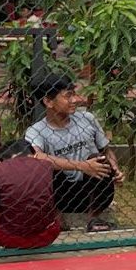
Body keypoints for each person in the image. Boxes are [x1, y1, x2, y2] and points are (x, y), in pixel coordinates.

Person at [23, 77, 123, 231]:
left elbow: (106, 150)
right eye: (68, 96)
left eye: (74, 94)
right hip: (58, 195)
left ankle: (94, 218)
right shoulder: (36, 131)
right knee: (43, 168)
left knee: (99, 159)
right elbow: (36, 156)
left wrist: (115, 169)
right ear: (48, 102)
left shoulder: (87, 119)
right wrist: (82, 166)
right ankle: (56, 220)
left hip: (90, 191)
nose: (75, 100)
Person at [0, 119, 61, 251]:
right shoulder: (47, 166)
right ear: (35, 155)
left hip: (4, 237)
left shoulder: (0, 170)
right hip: (47, 235)